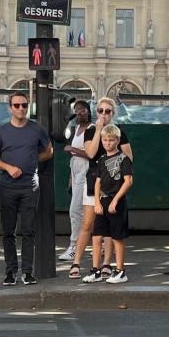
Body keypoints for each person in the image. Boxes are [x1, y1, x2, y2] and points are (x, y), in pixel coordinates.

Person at [0, 91, 52, 286]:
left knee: (29, 230)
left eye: (24, 105)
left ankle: (27, 271)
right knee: (8, 231)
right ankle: (10, 271)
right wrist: (8, 167)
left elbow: (48, 152)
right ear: (9, 108)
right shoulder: (1, 131)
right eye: (16, 105)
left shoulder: (36, 129)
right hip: (7, 186)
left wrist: (32, 161)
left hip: (30, 185)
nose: (21, 108)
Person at [69, 98, 132, 280]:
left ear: (113, 113)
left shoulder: (120, 134)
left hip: (113, 188)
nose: (104, 114)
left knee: (111, 229)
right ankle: (78, 262)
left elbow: (128, 158)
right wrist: (98, 130)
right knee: (89, 225)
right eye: (100, 111)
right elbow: (90, 153)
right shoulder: (91, 131)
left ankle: (107, 264)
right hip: (94, 184)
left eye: (108, 111)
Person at [83, 124, 133, 283]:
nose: (107, 143)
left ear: (117, 140)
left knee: (117, 237)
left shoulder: (124, 159)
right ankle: (95, 270)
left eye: (111, 140)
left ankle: (120, 271)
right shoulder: (102, 159)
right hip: (102, 203)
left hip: (116, 203)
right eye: (105, 140)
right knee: (97, 237)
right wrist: (97, 202)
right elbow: (97, 182)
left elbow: (128, 181)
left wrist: (116, 200)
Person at [59, 100, 91, 262]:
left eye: (82, 110)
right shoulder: (76, 129)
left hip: (87, 174)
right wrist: (71, 177)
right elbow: (74, 159)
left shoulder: (91, 130)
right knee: (81, 211)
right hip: (77, 173)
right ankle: (84, 244)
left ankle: (74, 246)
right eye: (77, 111)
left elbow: (91, 154)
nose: (79, 113)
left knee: (76, 210)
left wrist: (73, 149)